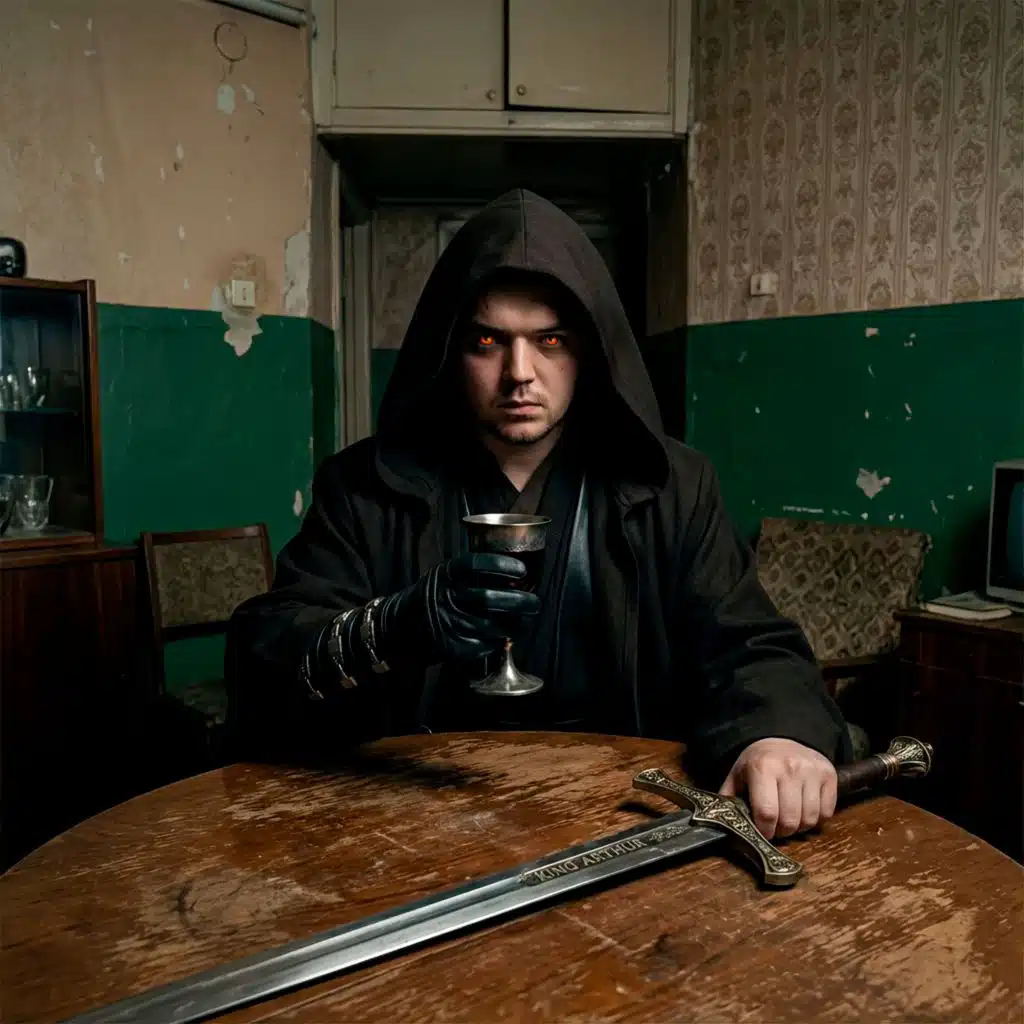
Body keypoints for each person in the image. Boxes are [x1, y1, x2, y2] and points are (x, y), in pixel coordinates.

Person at [227, 189, 852, 842]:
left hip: (620, 815)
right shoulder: (364, 486)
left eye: (549, 340)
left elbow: (749, 644)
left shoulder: (671, 488)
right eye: (487, 341)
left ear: (588, 351)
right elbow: (267, 649)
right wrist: (396, 625)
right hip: (413, 816)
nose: (519, 373)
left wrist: (776, 735)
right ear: (449, 350)